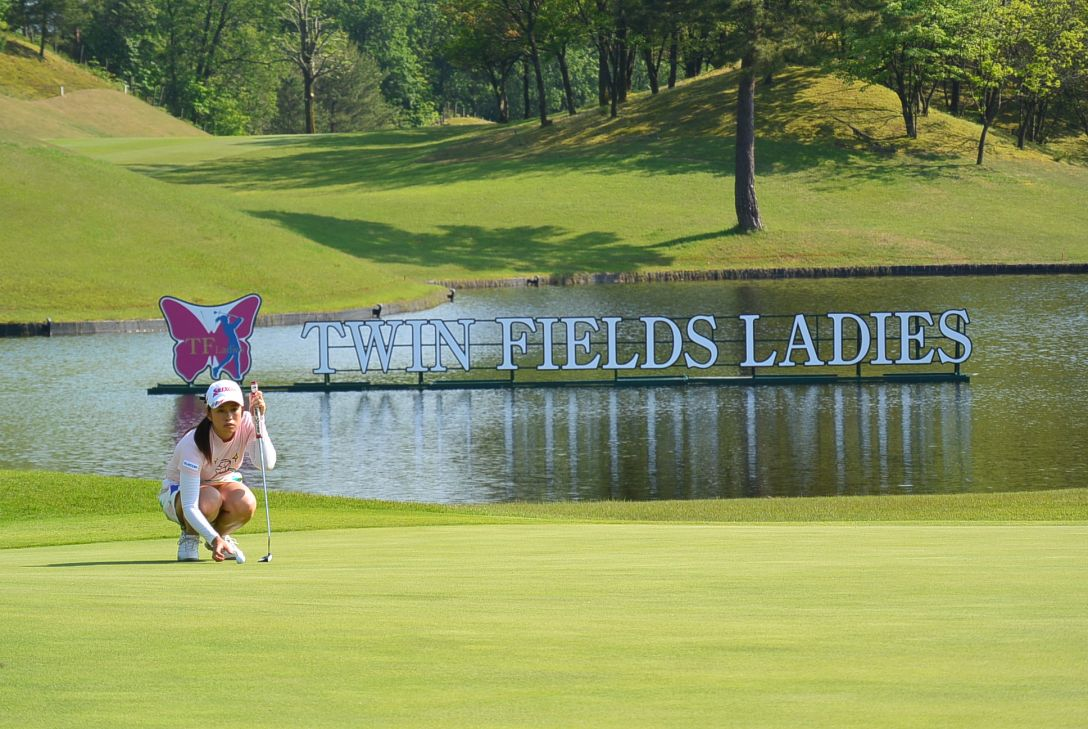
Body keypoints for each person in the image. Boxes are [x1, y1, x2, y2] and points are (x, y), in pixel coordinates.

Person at [159, 379, 276, 563]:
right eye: (221, 410)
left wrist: (259, 420)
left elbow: (266, 464)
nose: (229, 416)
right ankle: (190, 538)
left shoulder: (247, 422)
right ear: (209, 414)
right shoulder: (194, 443)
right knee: (210, 499)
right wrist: (214, 539)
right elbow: (190, 506)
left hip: (221, 482)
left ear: (242, 409)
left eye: (233, 409)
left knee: (246, 502)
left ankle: (222, 537)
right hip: (178, 496)